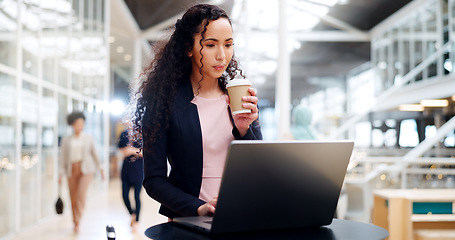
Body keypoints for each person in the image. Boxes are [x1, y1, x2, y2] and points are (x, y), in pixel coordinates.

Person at [130, 4, 262, 220]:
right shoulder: (163, 103)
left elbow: (259, 168)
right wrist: (197, 207)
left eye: (228, 45)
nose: (222, 55)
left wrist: (244, 129)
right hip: (190, 220)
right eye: (210, 45)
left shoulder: (240, 97)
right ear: (188, 48)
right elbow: (154, 180)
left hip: (241, 214)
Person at [59, 111, 105, 233]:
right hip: (71, 169)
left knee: (81, 196)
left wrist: (101, 168)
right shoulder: (66, 140)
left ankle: (78, 221)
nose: (80, 126)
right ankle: (75, 220)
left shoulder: (88, 138)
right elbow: (63, 157)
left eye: (82, 123)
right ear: (72, 125)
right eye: (77, 123)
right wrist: (60, 173)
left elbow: (94, 154)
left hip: (86, 170)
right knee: (72, 197)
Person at [118, 122, 143, 230]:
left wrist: (131, 150)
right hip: (126, 169)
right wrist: (134, 151)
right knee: (124, 196)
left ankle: (136, 219)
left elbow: (145, 152)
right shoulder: (123, 134)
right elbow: (121, 150)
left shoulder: (142, 135)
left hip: (138, 169)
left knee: (137, 196)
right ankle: (132, 213)